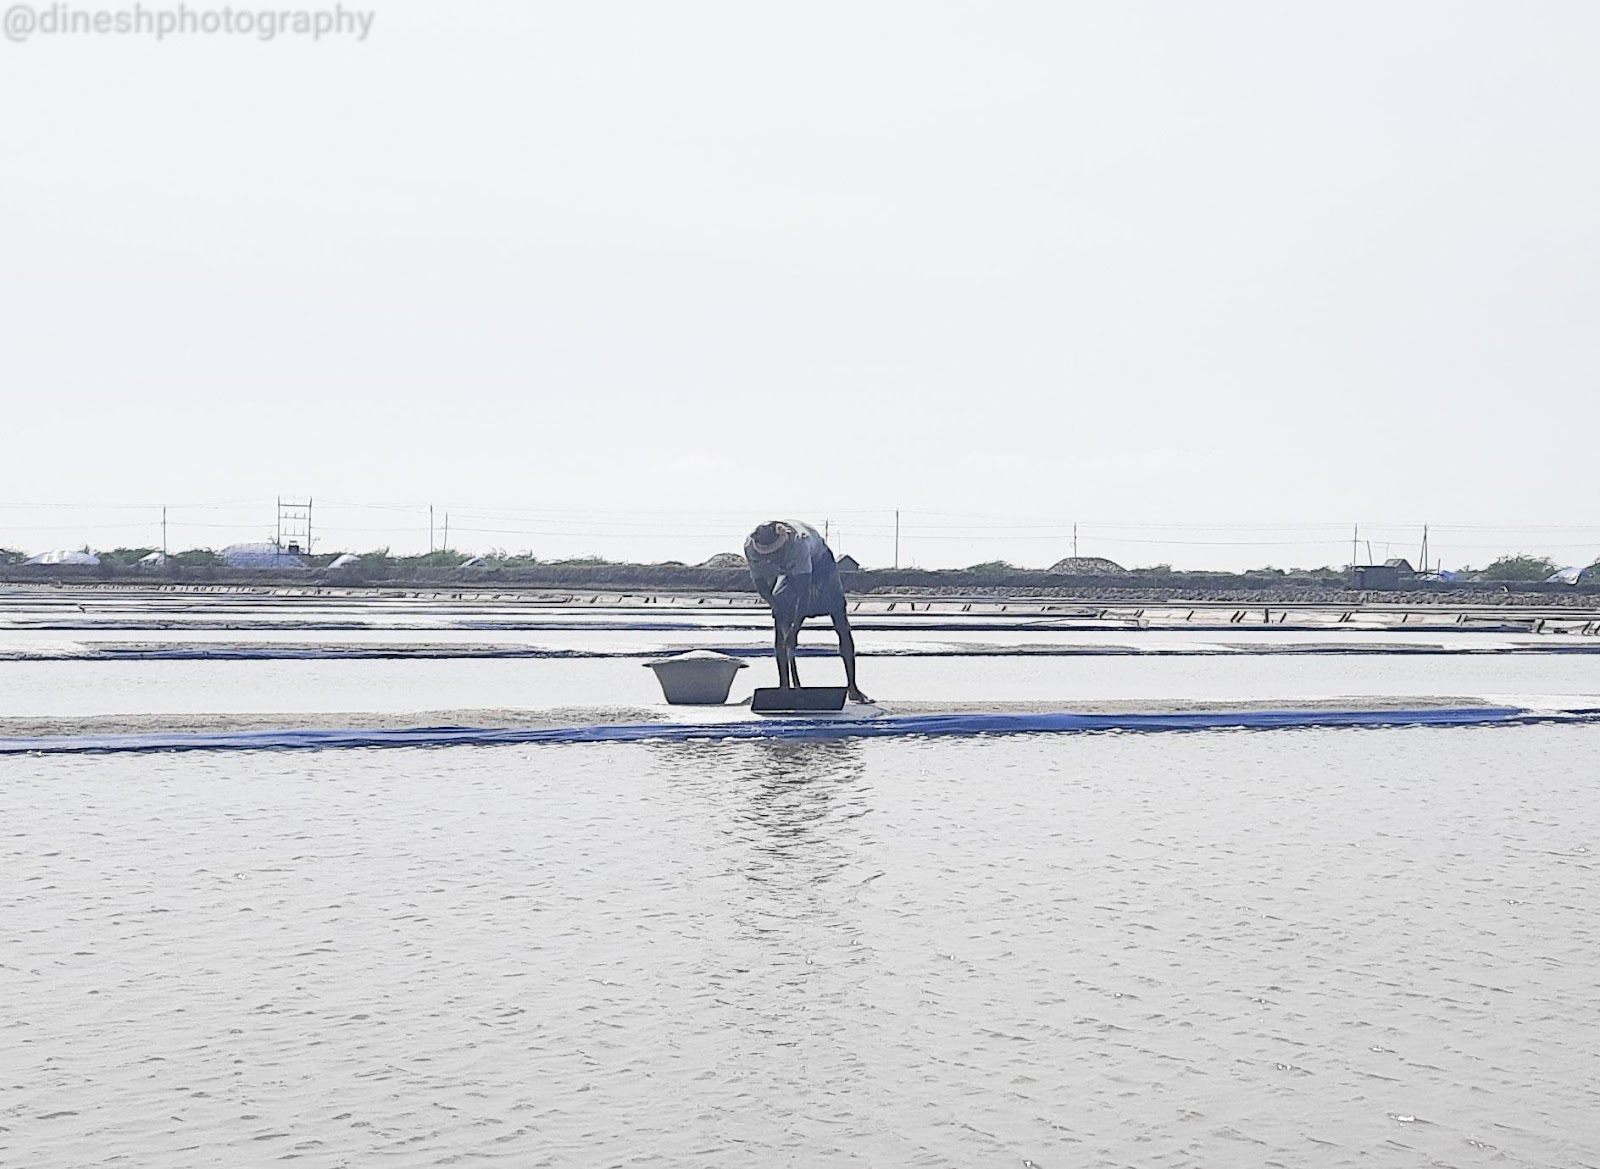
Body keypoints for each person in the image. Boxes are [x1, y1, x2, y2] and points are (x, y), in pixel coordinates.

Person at [744, 520, 872, 703]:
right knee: (780, 615)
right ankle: (785, 687)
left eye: (774, 554)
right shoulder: (752, 546)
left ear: (782, 545)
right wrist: (775, 606)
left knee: (840, 619)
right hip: (788, 571)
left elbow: (804, 595)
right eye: (767, 555)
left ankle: (853, 687)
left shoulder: (799, 543)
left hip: (821, 564)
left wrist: (795, 630)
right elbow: (761, 585)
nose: (769, 559)